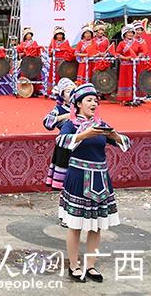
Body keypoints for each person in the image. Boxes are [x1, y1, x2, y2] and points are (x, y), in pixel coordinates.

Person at [56, 83, 131, 283]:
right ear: (78, 104)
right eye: (89, 100)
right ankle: (74, 265)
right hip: (79, 177)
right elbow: (61, 142)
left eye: (95, 100)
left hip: (100, 179)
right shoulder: (71, 123)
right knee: (75, 226)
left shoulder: (101, 124)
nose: (93, 103)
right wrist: (84, 135)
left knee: (96, 226)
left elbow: (126, 143)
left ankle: (91, 266)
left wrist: (113, 135)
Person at [43, 78, 75, 194]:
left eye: (73, 90)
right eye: (67, 91)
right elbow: (47, 122)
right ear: (62, 95)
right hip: (65, 142)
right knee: (63, 161)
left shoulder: (81, 107)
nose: (71, 93)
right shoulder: (59, 109)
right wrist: (65, 116)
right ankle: (60, 184)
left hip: (79, 140)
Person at [116, 25, 141, 105]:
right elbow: (117, 53)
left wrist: (138, 56)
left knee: (134, 80)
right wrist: (125, 58)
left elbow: (141, 51)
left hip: (134, 65)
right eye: (128, 33)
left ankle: (135, 97)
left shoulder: (137, 42)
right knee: (125, 81)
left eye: (131, 33)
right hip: (125, 65)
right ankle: (125, 98)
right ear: (124, 34)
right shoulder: (121, 43)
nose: (130, 34)